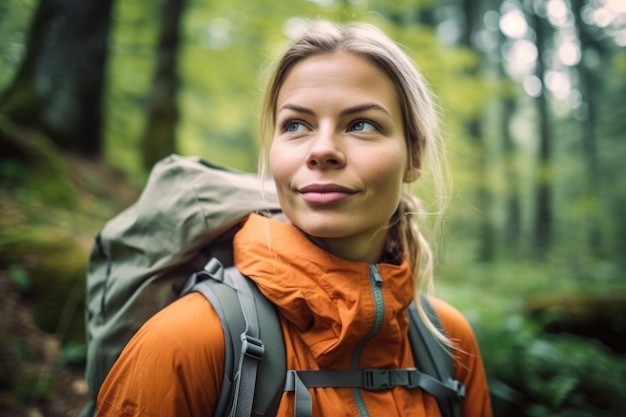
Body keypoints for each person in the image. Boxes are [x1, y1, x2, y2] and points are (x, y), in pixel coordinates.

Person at [96, 20, 492, 417]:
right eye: (296, 125)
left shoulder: (448, 343)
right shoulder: (187, 342)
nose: (322, 151)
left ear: (415, 156)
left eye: (361, 124)